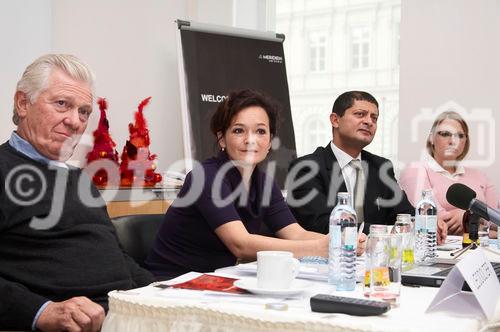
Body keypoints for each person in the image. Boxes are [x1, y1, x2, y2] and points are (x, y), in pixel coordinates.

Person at [0, 54, 154, 331]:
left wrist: (160, 292)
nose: (75, 121)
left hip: (126, 315)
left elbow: (115, 257)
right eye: (62, 104)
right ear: (23, 103)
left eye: (84, 112)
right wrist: (42, 312)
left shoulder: (79, 179)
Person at [146, 89, 367, 280]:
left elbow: (296, 234)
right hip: (172, 282)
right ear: (222, 139)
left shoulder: (263, 182)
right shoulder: (206, 177)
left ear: (270, 141)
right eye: (239, 130)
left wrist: (342, 240)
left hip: (216, 279)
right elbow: (241, 245)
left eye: (261, 131)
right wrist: (320, 248)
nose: (250, 140)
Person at [286, 91, 447, 242]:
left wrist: (424, 222)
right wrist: (387, 232)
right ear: (335, 120)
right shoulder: (306, 168)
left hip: (376, 260)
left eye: (374, 118)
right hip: (327, 260)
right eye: (360, 114)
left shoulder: (381, 166)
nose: (369, 122)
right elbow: (321, 224)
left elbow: (403, 213)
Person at [400, 111, 499, 235]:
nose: (453, 141)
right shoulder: (415, 170)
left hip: (482, 250)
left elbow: (496, 220)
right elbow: (436, 219)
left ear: (465, 141)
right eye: (445, 134)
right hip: (440, 251)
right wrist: (471, 220)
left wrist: (465, 215)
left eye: (460, 135)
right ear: (431, 138)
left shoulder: (480, 176)